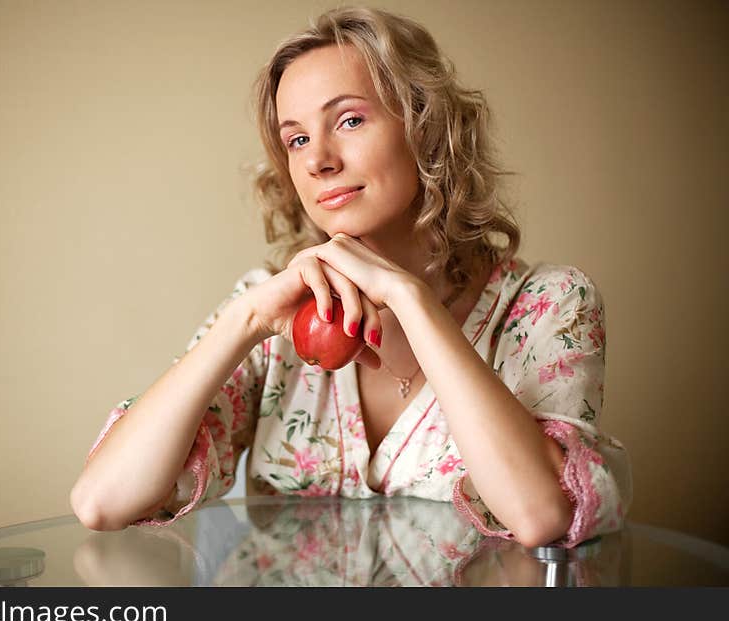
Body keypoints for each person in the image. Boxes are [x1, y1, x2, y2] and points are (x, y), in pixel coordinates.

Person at [70, 6, 631, 549]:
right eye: (296, 139)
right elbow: (103, 502)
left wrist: (409, 300)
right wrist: (242, 320)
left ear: (425, 127)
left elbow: (540, 516)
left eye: (350, 120)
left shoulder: (551, 305)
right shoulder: (272, 315)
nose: (318, 160)